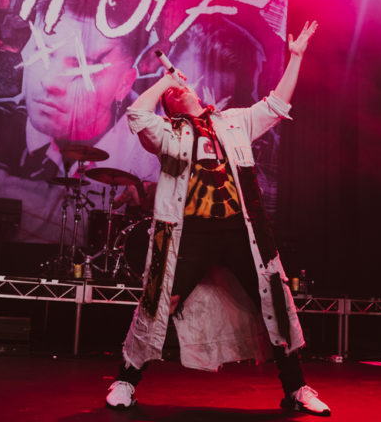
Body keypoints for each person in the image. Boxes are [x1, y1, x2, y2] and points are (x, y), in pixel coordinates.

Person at [105, 21, 331, 416]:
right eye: (171, 95)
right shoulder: (168, 132)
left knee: (274, 302)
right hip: (190, 234)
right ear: (169, 107)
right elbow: (137, 116)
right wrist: (165, 81)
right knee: (159, 301)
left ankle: (296, 388)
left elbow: (277, 105)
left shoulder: (233, 122)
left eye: (181, 87)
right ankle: (125, 380)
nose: (178, 91)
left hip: (241, 231)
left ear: (198, 93)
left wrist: (295, 58)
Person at [0, 0, 158, 243]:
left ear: (124, 84)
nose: (50, 81)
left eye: (83, 68)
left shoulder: (148, 154)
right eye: (43, 52)